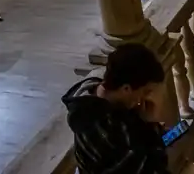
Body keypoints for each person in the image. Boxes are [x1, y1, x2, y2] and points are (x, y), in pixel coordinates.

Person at [63, 43, 170, 174]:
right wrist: (150, 125)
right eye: (145, 91)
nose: (145, 98)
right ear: (126, 89)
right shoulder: (105, 128)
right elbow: (151, 167)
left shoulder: (97, 92)